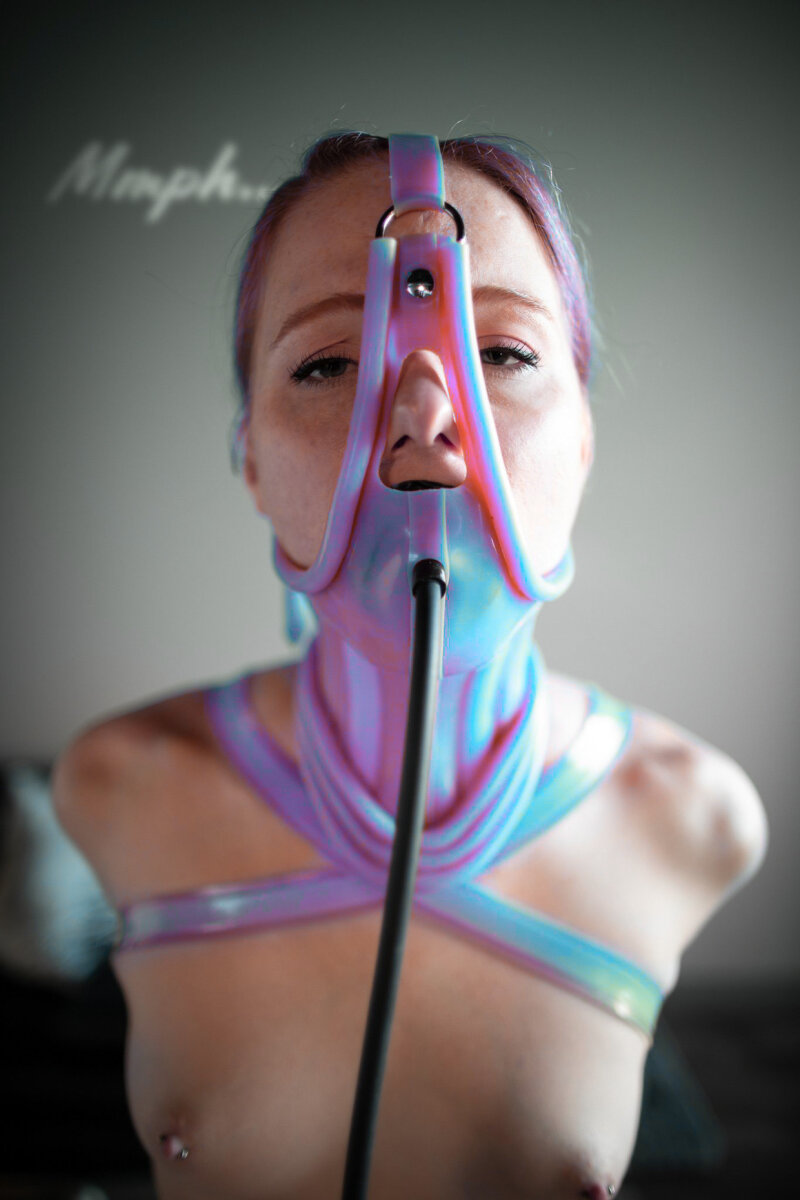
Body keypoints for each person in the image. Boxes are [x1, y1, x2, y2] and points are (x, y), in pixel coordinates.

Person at [53, 132, 768, 1200]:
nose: (426, 418)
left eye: (504, 354)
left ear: (581, 442)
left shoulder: (696, 819)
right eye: (327, 364)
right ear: (251, 461)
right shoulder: (117, 783)